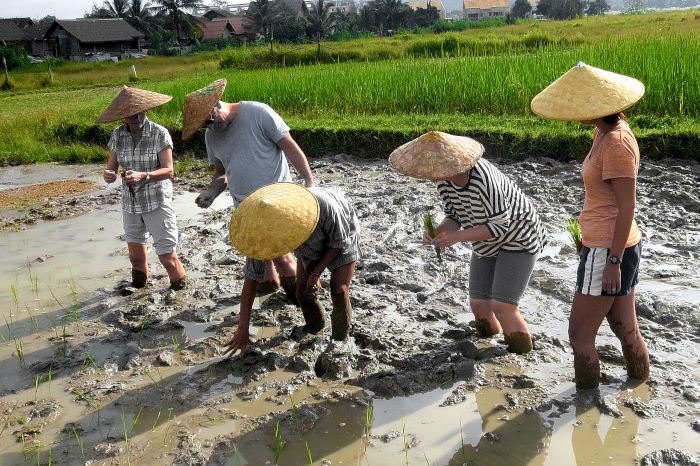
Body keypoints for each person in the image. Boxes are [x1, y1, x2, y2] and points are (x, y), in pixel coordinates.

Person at [531, 61, 649, 389]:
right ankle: (640, 387)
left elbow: (627, 206)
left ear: (599, 106)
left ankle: (583, 405)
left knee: (579, 335)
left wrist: (610, 261)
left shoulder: (616, 144)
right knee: (625, 327)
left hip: (610, 248)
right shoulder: (604, 132)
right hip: (609, 244)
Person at [389, 131, 546, 354]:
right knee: (479, 305)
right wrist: (441, 230)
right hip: (485, 239)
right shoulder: (444, 181)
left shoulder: (483, 179)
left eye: (433, 166)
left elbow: (499, 225)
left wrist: (455, 238)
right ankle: (489, 345)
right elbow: (454, 214)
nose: (428, 172)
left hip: (518, 236)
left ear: (451, 163)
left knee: (503, 306)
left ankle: (520, 356)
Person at [182, 79, 315, 300]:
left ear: (217, 104)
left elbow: (290, 146)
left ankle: (302, 299)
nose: (211, 127)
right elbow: (221, 172)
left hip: (276, 198)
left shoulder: (258, 113)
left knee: (281, 255)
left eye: (211, 120)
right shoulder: (211, 136)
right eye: (205, 125)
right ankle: (273, 290)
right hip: (245, 206)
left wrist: (308, 181)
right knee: (260, 258)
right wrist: (211, 193)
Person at [222, 182, 361, 356]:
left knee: (339, 290)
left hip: (341, 235)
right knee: (302, 292)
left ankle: (340, 341)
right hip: (308, 245)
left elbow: (338, 243)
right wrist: (243, 328)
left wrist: (316, 272)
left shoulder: (324, 204)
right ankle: (314, 327)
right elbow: (251, 282)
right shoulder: (259, 236)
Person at [97, 86, 186, 290]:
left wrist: (143, 175)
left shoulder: (159, 133)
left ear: (145, 110)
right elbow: (111, 170)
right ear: (123, 116)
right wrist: (108, 175)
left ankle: (179, 293)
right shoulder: (117, 135)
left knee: (167, 257)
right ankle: (138, 288)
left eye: (139, 112)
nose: (136, 117)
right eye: (130, 114)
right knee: (136, 258)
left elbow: (169, 171)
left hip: (157, 201)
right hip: (131, 204)